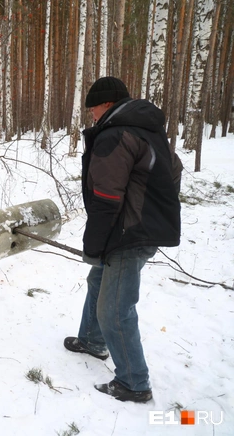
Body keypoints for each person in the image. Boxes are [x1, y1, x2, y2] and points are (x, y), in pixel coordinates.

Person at [64, 77, 182, 403]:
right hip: (140, 227)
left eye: (93, 109)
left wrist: (95, 244)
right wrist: (154, 208)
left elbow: (105, 198)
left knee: (115, 310)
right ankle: (91, 339)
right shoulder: (147, 129)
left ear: (107, 105)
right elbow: (174, 169)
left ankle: (134, 382)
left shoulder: (115, 136)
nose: (91, 116)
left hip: (127, 233)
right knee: (98, 279)